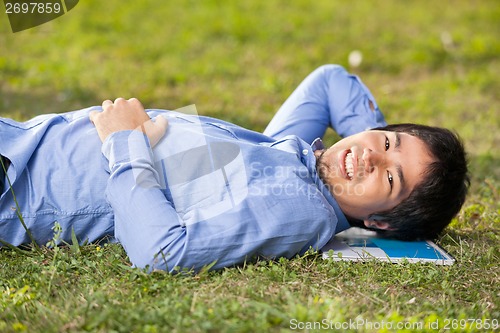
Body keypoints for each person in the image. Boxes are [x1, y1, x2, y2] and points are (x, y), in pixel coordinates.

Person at [0, 65, 469, 272]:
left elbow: (163, 253)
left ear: (380, 222)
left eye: (391, 177)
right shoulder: (298, 161)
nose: (371, 156)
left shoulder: (299, 206)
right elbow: (330, 81)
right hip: (24, 137)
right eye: (387, 142)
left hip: (15, 181)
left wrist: (124, 143)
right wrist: (373, 158)